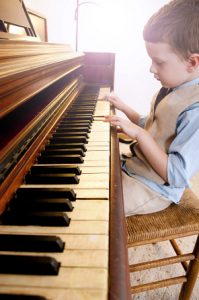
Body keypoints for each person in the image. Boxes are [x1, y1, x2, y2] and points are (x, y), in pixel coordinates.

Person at [105, 0, 199, 216]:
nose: (151, 68)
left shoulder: (195, 110)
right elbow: (153, 126)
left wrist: (139, 134)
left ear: (192, 63)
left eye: (159, 62)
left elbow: (176, 174)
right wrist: (124, 108)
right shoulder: (172, 87)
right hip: (134, 168)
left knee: (94, 204)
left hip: (152, 189)